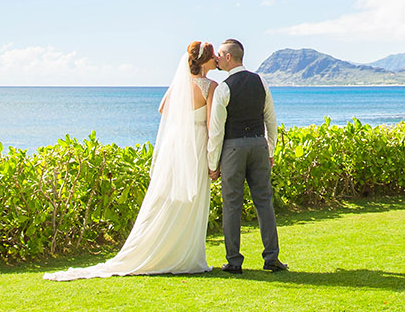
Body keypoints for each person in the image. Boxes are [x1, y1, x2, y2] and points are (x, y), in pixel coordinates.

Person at [44, 41, 218, 279]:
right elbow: (211, 125)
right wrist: (212, 156)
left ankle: (162, 249)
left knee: (168, 196)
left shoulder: (180, 85)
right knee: (192, 197)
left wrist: (183, 121)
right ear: (206, 59)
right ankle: (184, 255)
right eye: (214, 54)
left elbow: (162, 109)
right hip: (196, 145)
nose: (217, 57)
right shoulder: (211, 86)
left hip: (177, 145)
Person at [207, 38, 286, 272]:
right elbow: (270, 119)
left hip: (233, 148)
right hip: (259, 146)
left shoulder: (224, 88)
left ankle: (233, 261)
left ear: (229, 57)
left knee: (232, 204)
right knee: (264, 202)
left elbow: (216, 131)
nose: (217, 58)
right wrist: (269, 149)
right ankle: (271, 258)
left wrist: (213, 163)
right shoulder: (260, 81)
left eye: (220, 54)